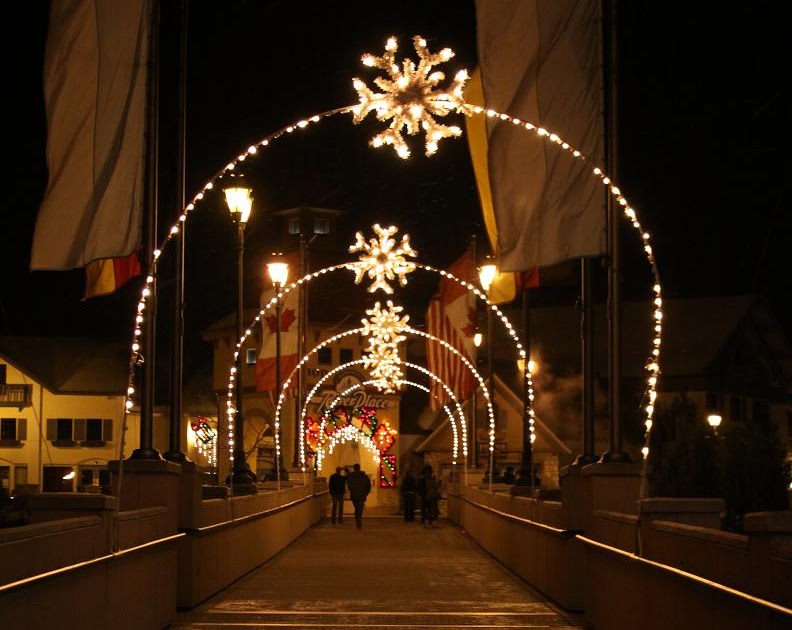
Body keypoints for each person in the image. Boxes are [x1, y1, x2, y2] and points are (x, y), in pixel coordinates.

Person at [345, 463, 371, 529]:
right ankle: (359, 518)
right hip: (362, 495)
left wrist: (352, 490)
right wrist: (365, 493)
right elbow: (368, 486)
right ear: (359, 468)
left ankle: (357, 519)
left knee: (356, 508)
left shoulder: (351, 476)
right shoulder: (364, 476)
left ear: (354, 468)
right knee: (360, 508)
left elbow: (349, 486)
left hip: (354, 495)